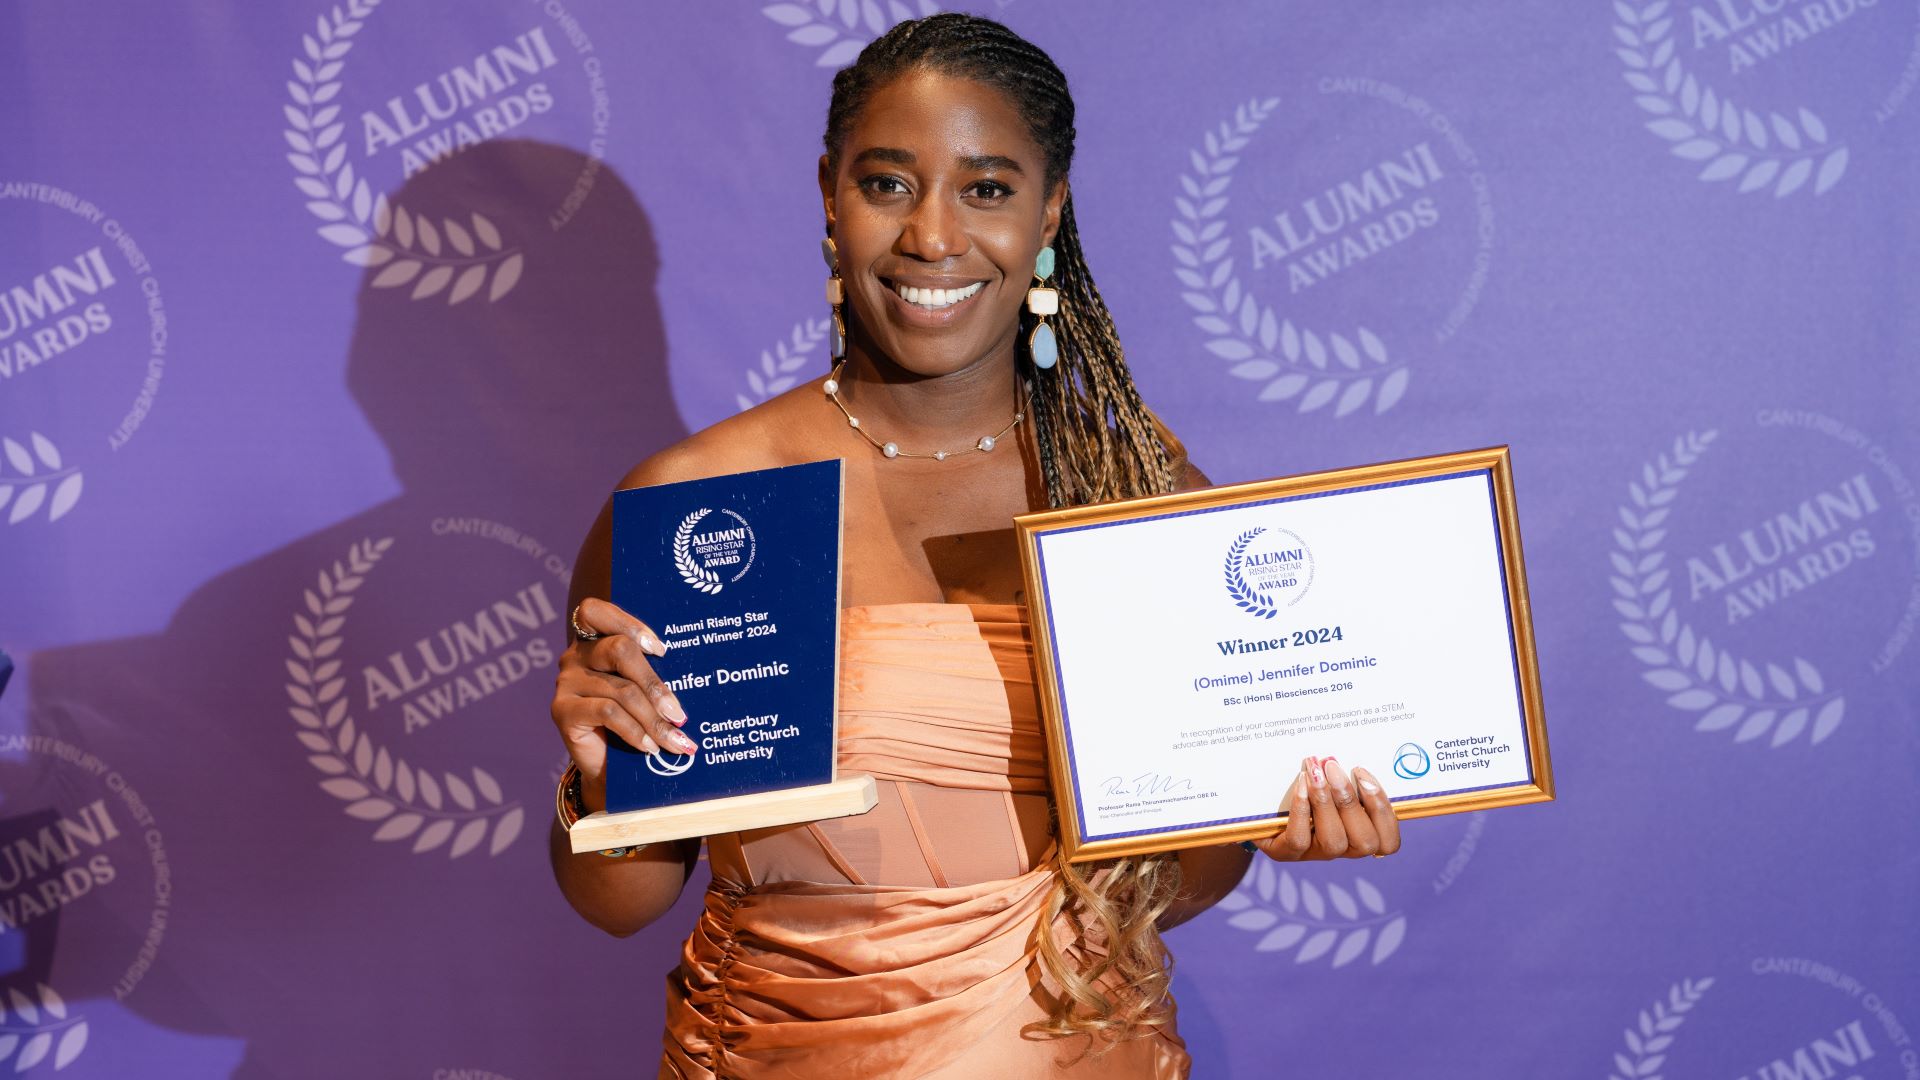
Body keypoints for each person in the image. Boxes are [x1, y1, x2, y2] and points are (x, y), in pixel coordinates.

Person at [547, 14, 1401, 1077]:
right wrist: (593, 778)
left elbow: (1173, 882)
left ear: (1051, 209)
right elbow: (620, 902)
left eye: (988, 188)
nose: (934, 238)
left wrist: (1279, 814)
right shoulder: (699, 506)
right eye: (889, 183)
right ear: (829, 193)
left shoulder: (1137, 492)